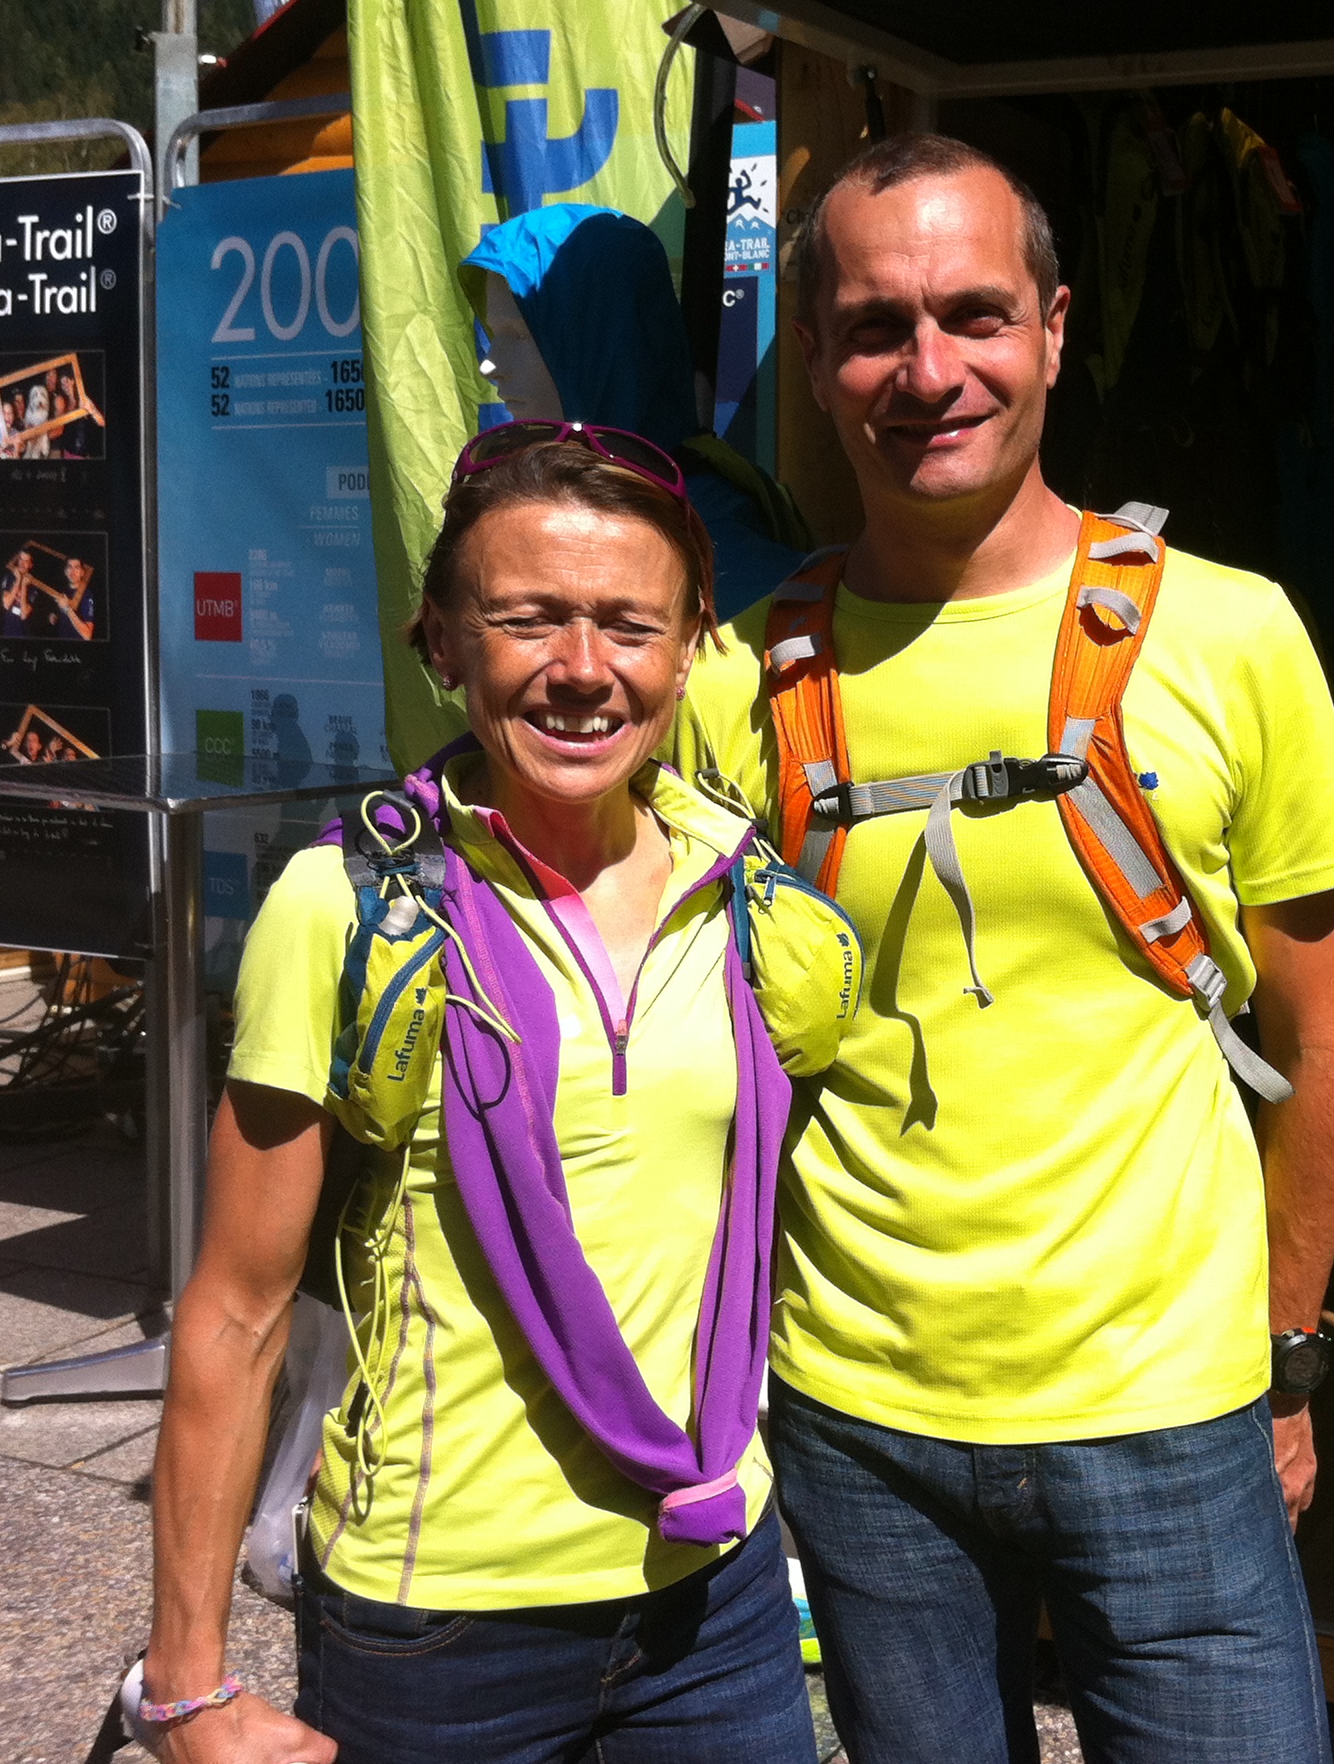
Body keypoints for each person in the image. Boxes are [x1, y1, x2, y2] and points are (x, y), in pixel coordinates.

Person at [674, 135, 1334, 1764]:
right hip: (858, 1420)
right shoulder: (730, 685)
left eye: (975, 315)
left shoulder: (1233, 637)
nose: (929, 371)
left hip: (1172, 1410)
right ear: (815, 358)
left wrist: (1284, 1358)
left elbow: (1324, 1036)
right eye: (875, 327)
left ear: (1055, 331)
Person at [141, 429, 859, 1764]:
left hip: (715, 1591)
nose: (583, 668)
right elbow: (236, 1306)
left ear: (692, 647)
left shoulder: (747, 895)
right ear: (442, 642)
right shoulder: (345, 906)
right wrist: (185, 1679)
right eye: (527, 618)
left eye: (630, 624)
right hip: (442, 1625)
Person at [463, 205, 810, 624]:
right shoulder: (568, 494)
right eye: (495, 335)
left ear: (599, 343)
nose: (490, 365)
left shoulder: (707, 534)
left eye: (518, 334)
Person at [51, 555, 98, 640]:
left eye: (76, 567)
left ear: (82, 573)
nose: (72, 571)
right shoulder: (64, 591)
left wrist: (67, 609)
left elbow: (87, 635)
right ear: (65, 572)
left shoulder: (86, 595)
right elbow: (62, 616)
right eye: (69, 567)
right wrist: (55, 617)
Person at [0, 550, 40, 635]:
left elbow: (23, 615)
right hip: (8, 626)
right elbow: (6, 604)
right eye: (21, 559)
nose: (22, 563)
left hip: (24, 630)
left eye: (26, 561)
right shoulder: (9, 577)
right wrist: (18, 580)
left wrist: (24, 586)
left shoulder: (34, 585)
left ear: (30, 565)